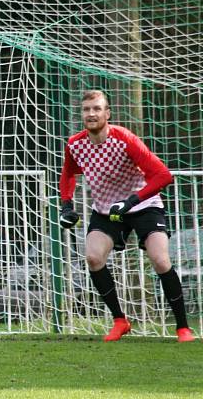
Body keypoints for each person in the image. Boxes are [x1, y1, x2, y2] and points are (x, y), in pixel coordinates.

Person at [58, 89, 194, 342]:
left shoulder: (125, 139)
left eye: (97, 109)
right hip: (106, 210)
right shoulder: (75, 144)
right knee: (93, 257)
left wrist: (130, 200)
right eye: (87, 110)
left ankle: (183, 328)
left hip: (143, 205)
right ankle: (120, 321)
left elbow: (163, 175)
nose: (91, 114)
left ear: (107, 113)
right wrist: (66, 206)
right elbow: (67, 174)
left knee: (160, 260)